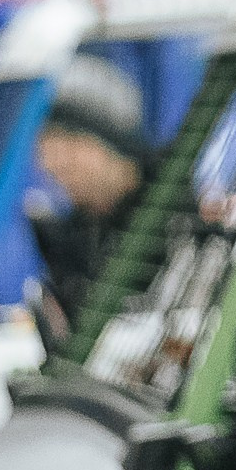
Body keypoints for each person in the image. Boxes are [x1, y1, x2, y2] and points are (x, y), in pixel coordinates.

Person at [28, 54, 158, 320]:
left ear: (115, 146)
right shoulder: (75, 232)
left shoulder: (175, 218)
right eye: (47, 144)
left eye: (70, 141)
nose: (53, 162)